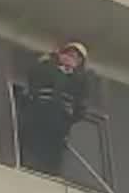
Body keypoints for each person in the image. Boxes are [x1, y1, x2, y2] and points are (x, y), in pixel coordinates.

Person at [17, 41, 89, 176]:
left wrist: (67, 120)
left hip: (58, 124)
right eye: (68, 54)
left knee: (51, 156)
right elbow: (33, 78)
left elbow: (81, 108)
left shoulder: (79, 80)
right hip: (38, 116)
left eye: (76, 57)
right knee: (30, 145)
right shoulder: (47, 68)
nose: (70, 58)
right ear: (61, 55)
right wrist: (50, 58)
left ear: (80, 63)